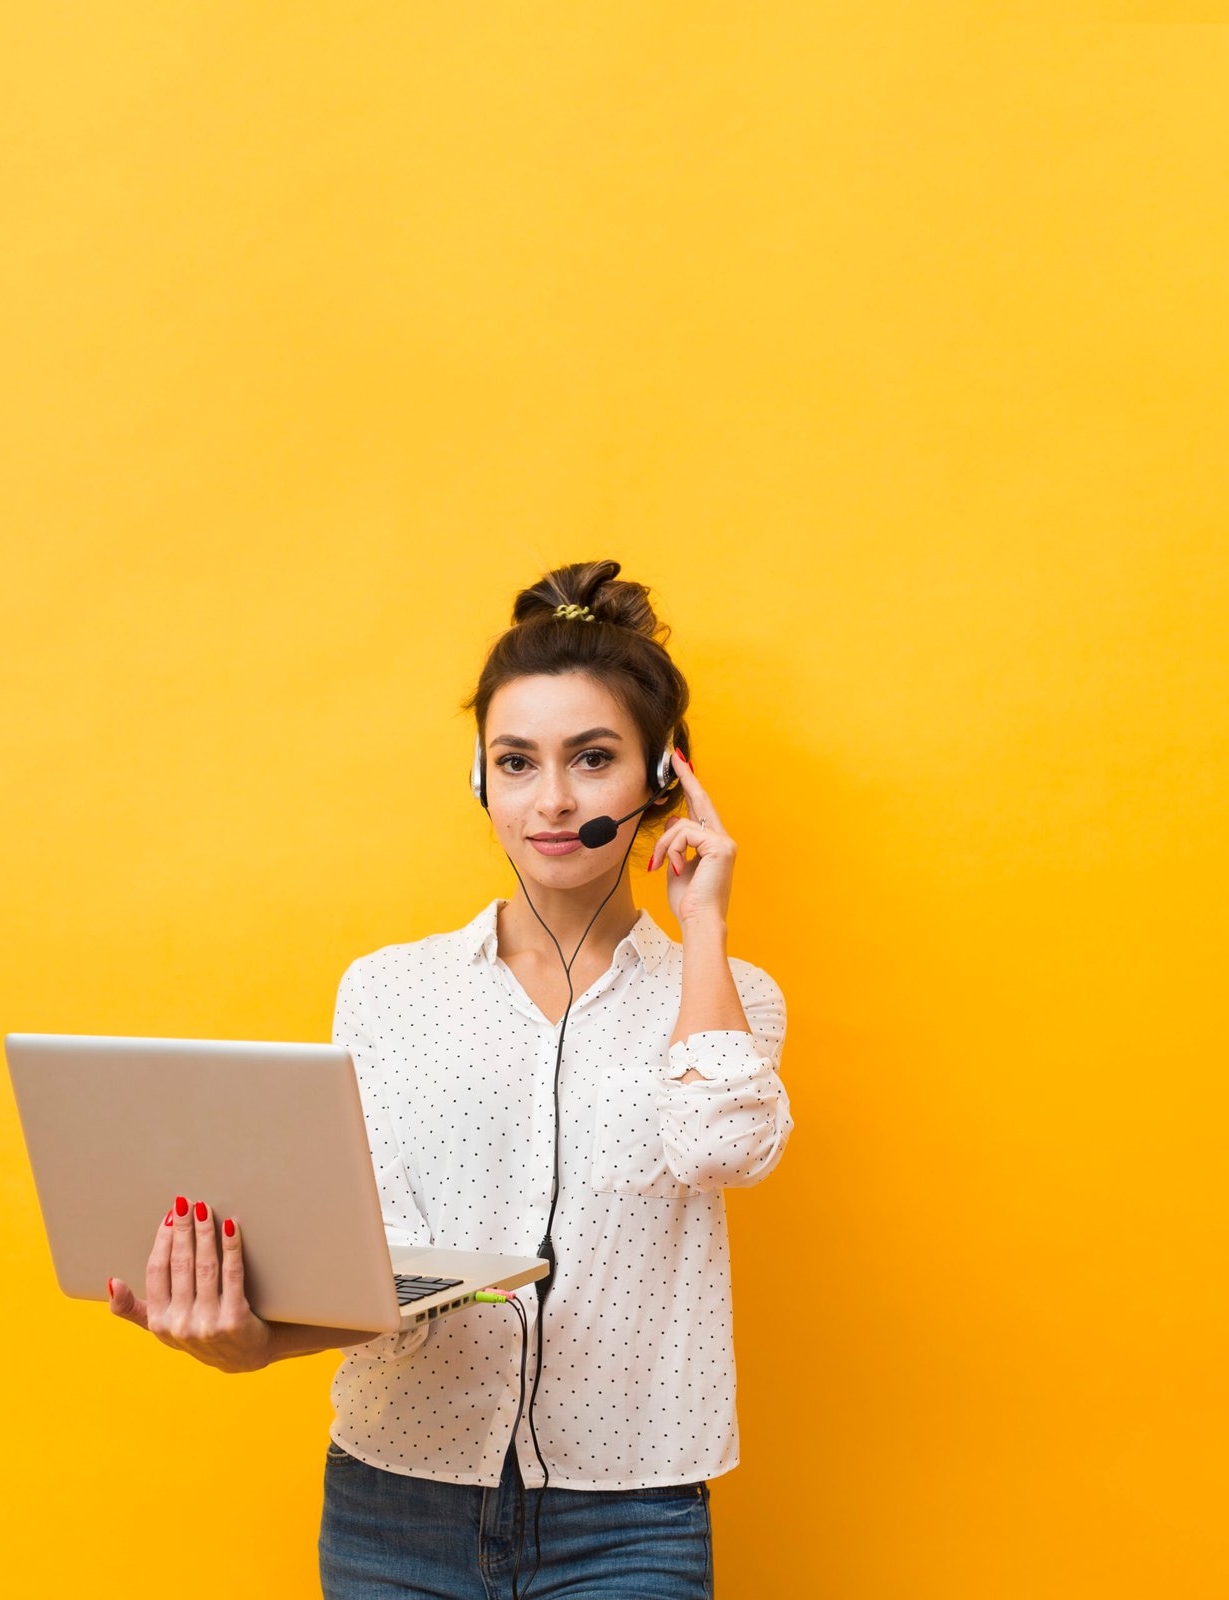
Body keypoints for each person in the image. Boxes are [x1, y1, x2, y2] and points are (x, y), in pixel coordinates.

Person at [107, 558, 795, 1599]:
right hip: (396, 1505)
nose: (552, 800)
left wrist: (702, 924)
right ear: (481, 778)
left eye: (593, 758)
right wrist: (247, 1341)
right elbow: (378, 1261)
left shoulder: (729, 994)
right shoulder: (387, 991)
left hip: (629, 1517)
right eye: (516, 762)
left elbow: (721, 1146)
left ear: (662, 779)